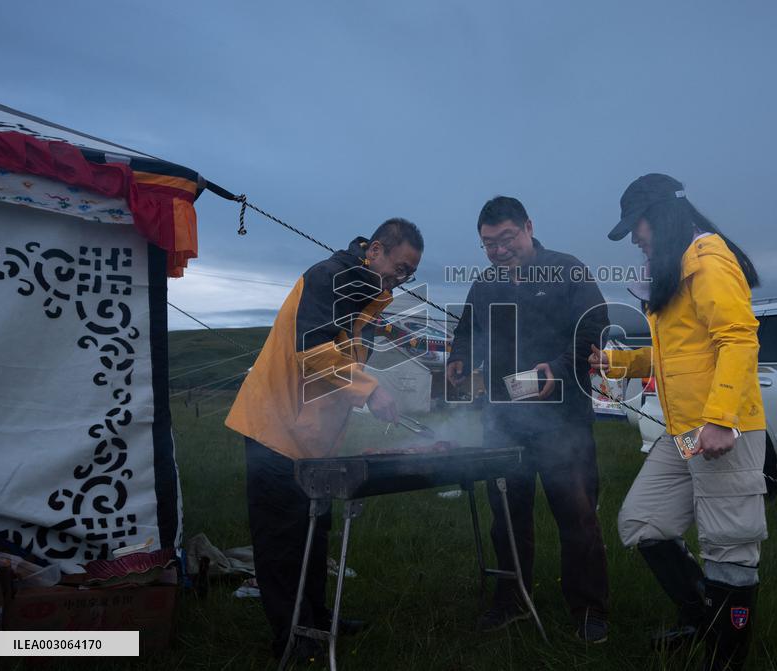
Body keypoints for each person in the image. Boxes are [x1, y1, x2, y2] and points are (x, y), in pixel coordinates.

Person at [225, 218, 423, 661]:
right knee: (281, 541)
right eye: (401, 265)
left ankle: (315, 620)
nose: (403, 277)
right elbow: (313, 350)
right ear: (374, 250)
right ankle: (289, 639)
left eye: (411, 272)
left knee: (313, 533)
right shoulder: (330, 277)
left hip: (311, 436)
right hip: (274, 426)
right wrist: (371, 391)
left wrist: (364, 393)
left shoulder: (368, 296)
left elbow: (344, 359)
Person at [590, 174, 766, 670]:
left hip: (720, 430)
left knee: (729, 551)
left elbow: (739, 339)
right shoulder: (675, 269)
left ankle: (724, 659)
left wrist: (720, 420)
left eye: (636, 227)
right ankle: (702, 619)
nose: (635, 238)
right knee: (643, 522)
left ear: (661, 216)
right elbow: (679, 357)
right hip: (685, 433)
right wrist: (617, 364)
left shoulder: (707, 260)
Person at [447, 196, 610, 643]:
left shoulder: (567, 270)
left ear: (528, 228)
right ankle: (511, 601)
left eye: (506, 239)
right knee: (506, 518)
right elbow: (464, 333)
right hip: (503, 420)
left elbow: (595, 324)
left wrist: (556, 367)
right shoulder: (484, 285)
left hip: (564, 422)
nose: (498, 251)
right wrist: (458, 360)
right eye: (488, 244)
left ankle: (589, 609)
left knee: (578, 516)